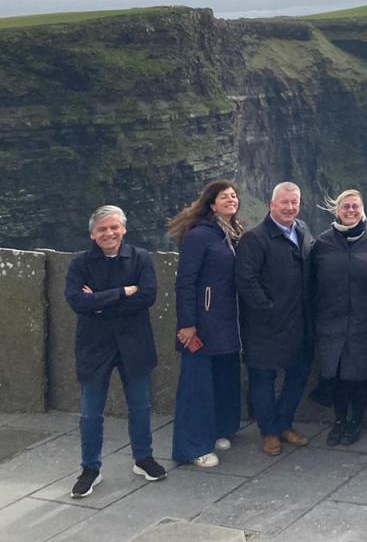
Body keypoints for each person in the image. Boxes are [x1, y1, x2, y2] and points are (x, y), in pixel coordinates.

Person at [65, 206, 165, 498]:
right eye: (102, 229)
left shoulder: (141, 258)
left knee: (140, 405)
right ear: (92, 234)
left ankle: (143, 458)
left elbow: (147, 297)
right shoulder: (80, 264)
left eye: (114, 228)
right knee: (90, 412)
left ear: (124, 229)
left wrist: (98, 302)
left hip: (134, 342)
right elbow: (76, 302)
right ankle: (90, 468)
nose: (109, 233)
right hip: (94, 345)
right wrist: (123, 292)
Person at [236, 181, 314, 456]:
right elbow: (246, 281)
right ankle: (268, 432)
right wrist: (269, 309)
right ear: (271, 205)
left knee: (298, 374)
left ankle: (283, 424)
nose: (290, 207)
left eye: (294, 202)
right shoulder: (254, 239)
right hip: (265, 326)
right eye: (285, 202)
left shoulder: (303, 231)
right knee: (263, 379)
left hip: (299, 323)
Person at [169, 180, 244, 468]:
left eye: (234, 196)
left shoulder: (234, 233)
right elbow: (185, 281)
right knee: (196, 385)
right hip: (203, 321)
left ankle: (218, 430)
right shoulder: (200, 235)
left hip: (228, 319)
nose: (232, 200)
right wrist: (187, 324)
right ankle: (193, 447)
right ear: (211, 204)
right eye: (224, 197)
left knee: (224, 378)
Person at [311, 189, 367, 447]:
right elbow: (311, 282)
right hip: (331, 321)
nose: (350, 211)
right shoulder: (323, 243)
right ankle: (339, 422)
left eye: (355, 206)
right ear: (337, 210)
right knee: (334, 374)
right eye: (345, 207)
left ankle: (355, 421)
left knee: (360, 375)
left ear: (363, 208)